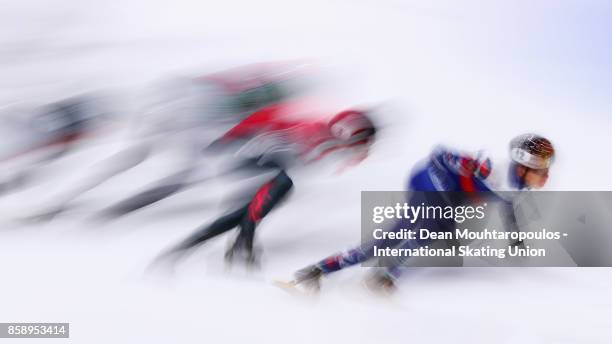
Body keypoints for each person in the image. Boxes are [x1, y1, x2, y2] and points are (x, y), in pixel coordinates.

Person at [289, 133, 556, 293]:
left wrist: (516, 238)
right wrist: (462, 189)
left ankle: (382, 276)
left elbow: (509, 205)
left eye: (547, 169)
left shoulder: (518, 184)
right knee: (393, 238)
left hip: (449, 195)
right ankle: (315, 272)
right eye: (541, 170)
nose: (546, 176)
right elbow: (439, 154)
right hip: (429, 182)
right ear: (522, 168)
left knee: (438, 230)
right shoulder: (489, 169)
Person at [154, 101, 377, 267]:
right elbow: (267, 118)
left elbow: (350, 155)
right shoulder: (317, 133)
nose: (360, 150)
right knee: (278, 188)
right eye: (359, 144)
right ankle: (241, 243)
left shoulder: (328, 139)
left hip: (259, 159)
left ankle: (225, 244)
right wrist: (230, 137)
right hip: (247, 153)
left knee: (253, 206)